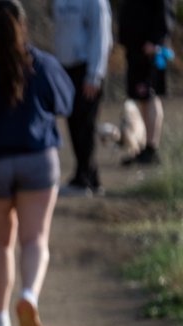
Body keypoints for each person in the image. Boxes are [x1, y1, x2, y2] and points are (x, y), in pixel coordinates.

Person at [0, 0, 74, 326]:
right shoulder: (42, 63)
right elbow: (65, 103)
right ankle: (28, 296)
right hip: (38, 159)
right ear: (23, 26)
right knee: (35, 239)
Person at [53, 0, 113, 194]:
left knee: (85, 124)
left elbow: (101, 36)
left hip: (86, 69)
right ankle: (88, 175)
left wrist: (94, 75)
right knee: (74, 123)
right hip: (66, 69)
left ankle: (85, 178)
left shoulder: (95, 2)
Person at [117, 0, 175, 166]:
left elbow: (166, 10)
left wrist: (156, 40)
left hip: (150, 50)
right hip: (135, 48)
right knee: (142, 97)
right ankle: (145, 147)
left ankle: (151, 149)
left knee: (150, 95)